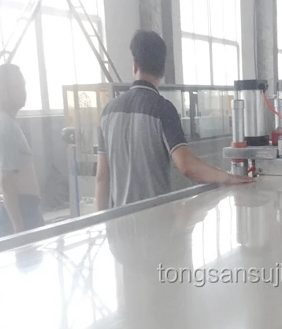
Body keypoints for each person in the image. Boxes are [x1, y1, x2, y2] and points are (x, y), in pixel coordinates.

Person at [96, 30, 249, 210]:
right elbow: (187, 165)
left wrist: (102, 220)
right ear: (163, 70)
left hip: (118, 220)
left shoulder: (108, 112)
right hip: (154, 218)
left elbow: (102, 178)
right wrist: (228, 177)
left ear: (135, 64)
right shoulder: (162, 109)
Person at [0, 63, 43, 235]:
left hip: (21, 208)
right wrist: (18, 226)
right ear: (2, 91)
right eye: (17, 87)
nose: (23, 92)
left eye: (23, 86)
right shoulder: (4, 125)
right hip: (21, 212)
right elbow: (6, 179)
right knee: (29, 253)